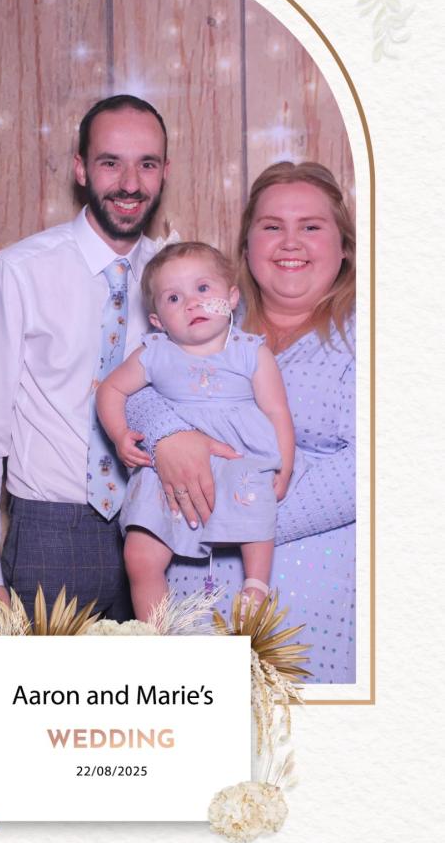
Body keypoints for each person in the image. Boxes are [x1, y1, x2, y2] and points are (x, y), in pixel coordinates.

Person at [0, 94, 236, 617]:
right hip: (52, 536)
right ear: (81, 168)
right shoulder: (20, 271)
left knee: (171, 673)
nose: (130, 183)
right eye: (110, 163)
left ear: (165, 172)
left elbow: (216, 390)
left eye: (146, 164)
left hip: (163, 527)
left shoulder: (182, 282)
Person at [128, 161, 356, 682]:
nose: (290, 242)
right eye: (272, 226)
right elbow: (133, 389)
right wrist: (170, 436)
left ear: (343, 246)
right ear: (247, 247)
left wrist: (225, 510)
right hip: (190, 593)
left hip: (308, 603)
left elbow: (374, 470)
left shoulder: (371, 335)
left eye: (311, 226)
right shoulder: (205, 320)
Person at [96, 241, 295, 621]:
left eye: (203, 289)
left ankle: (255, 586)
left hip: (239, 456)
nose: (192, 303)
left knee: (258, 510)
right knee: (139, 554)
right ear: (157, 320)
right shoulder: (155, 352)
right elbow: (111, 390)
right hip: (168, 471)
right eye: (174, 298)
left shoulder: (251, 351)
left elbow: (277, 411)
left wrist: (285, 465)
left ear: (231, 298)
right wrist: (120, 434)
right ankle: (156, 631)